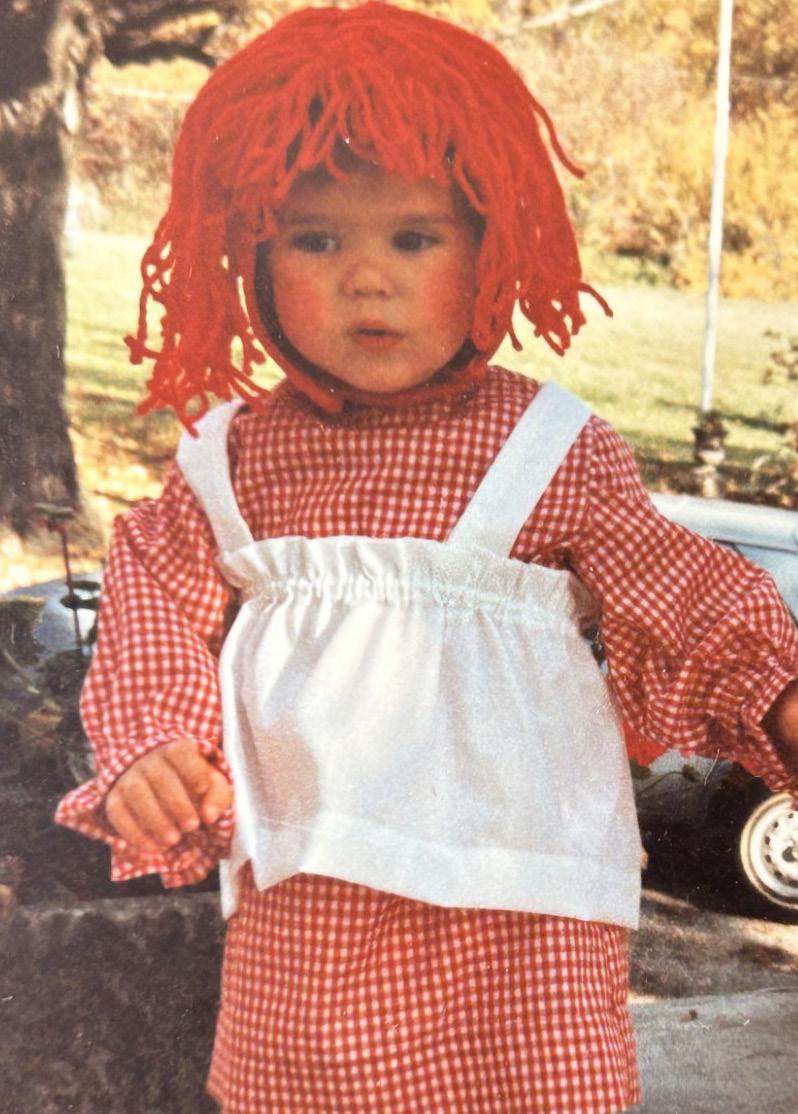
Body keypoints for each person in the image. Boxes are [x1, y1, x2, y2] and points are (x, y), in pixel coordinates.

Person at [56, 4, 798, 1112]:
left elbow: (675, 590)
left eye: (414, 239)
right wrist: (158, 744)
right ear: (251, 258)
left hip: (528, 906)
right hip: (311, 898)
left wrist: (775, 693)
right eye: (316, 241)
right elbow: (155, 603)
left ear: (492, 250)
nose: (367, 277)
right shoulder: (231, 461)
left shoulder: (549, 448)